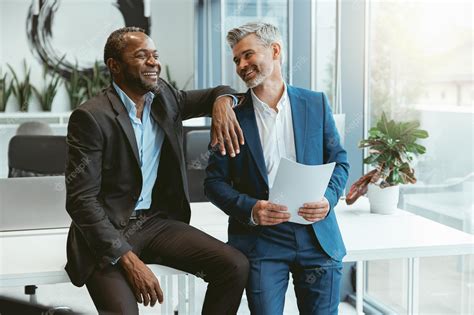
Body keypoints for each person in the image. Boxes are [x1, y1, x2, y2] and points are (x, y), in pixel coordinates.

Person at [65, 26, 248, 315]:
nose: (154, 62)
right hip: (106, 231)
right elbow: (81, 201)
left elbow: (219, 91)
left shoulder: (167, 98)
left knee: (235, 266)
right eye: (141, 56)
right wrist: (125, 256)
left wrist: (223, 103)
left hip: (154, 223)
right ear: (114, 66)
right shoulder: (91, 117)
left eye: (155, 55)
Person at [205, 22, 350, 315]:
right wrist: (251, 208)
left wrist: (328, 199)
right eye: (236, 60)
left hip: (317, 236)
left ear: (275, 50)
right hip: (262, 242)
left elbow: (340, 162)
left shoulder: (315, 103)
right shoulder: (230, 116)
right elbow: (213, 183)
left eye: (248, 55)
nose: (242, 65)